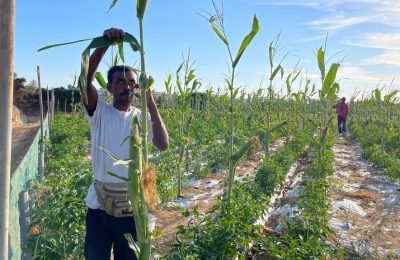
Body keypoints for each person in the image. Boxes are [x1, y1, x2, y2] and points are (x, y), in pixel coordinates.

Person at [82, 28, 168, 260]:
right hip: (100, 208)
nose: (127, 86)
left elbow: (162, 144)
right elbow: (85, 80)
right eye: (120, 82)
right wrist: (103, 45)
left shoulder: (142, 117)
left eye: (132, 82)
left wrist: (151, 104)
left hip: (133, 210)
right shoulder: (99, 112)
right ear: (109, 88)